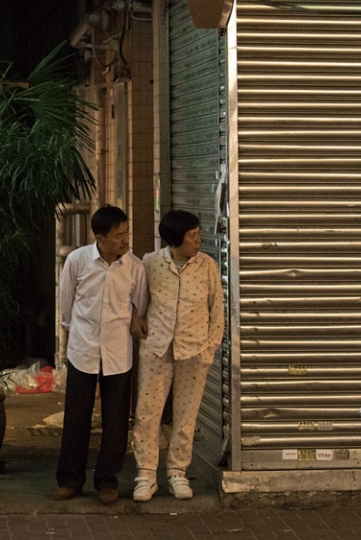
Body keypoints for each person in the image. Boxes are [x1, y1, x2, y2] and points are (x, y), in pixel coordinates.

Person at [55, 205, 147, 505]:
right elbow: (66, 305)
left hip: (119, 353)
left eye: (126, 233)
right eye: (119, 235)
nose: (125, 240)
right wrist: (78, 335)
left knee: (116, 421)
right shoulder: (77, 261)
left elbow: (138, 306)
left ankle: (107, 480)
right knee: (77, 418)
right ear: (100, 237)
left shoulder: (134, 267)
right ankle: (70, 480)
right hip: (83, 350)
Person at [131, 209, 224, 502]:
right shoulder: (150, 263)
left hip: (194, 351)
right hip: (157, 348)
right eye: (192, 237)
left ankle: (177, 472)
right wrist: (138, 321)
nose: (198, 241)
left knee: (186, 415)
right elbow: (139, 303)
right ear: (174, 241)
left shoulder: (207, 266)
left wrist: (209, 348)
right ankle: (146, 473)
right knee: (147, 413)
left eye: (198, 234)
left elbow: (217, 310)